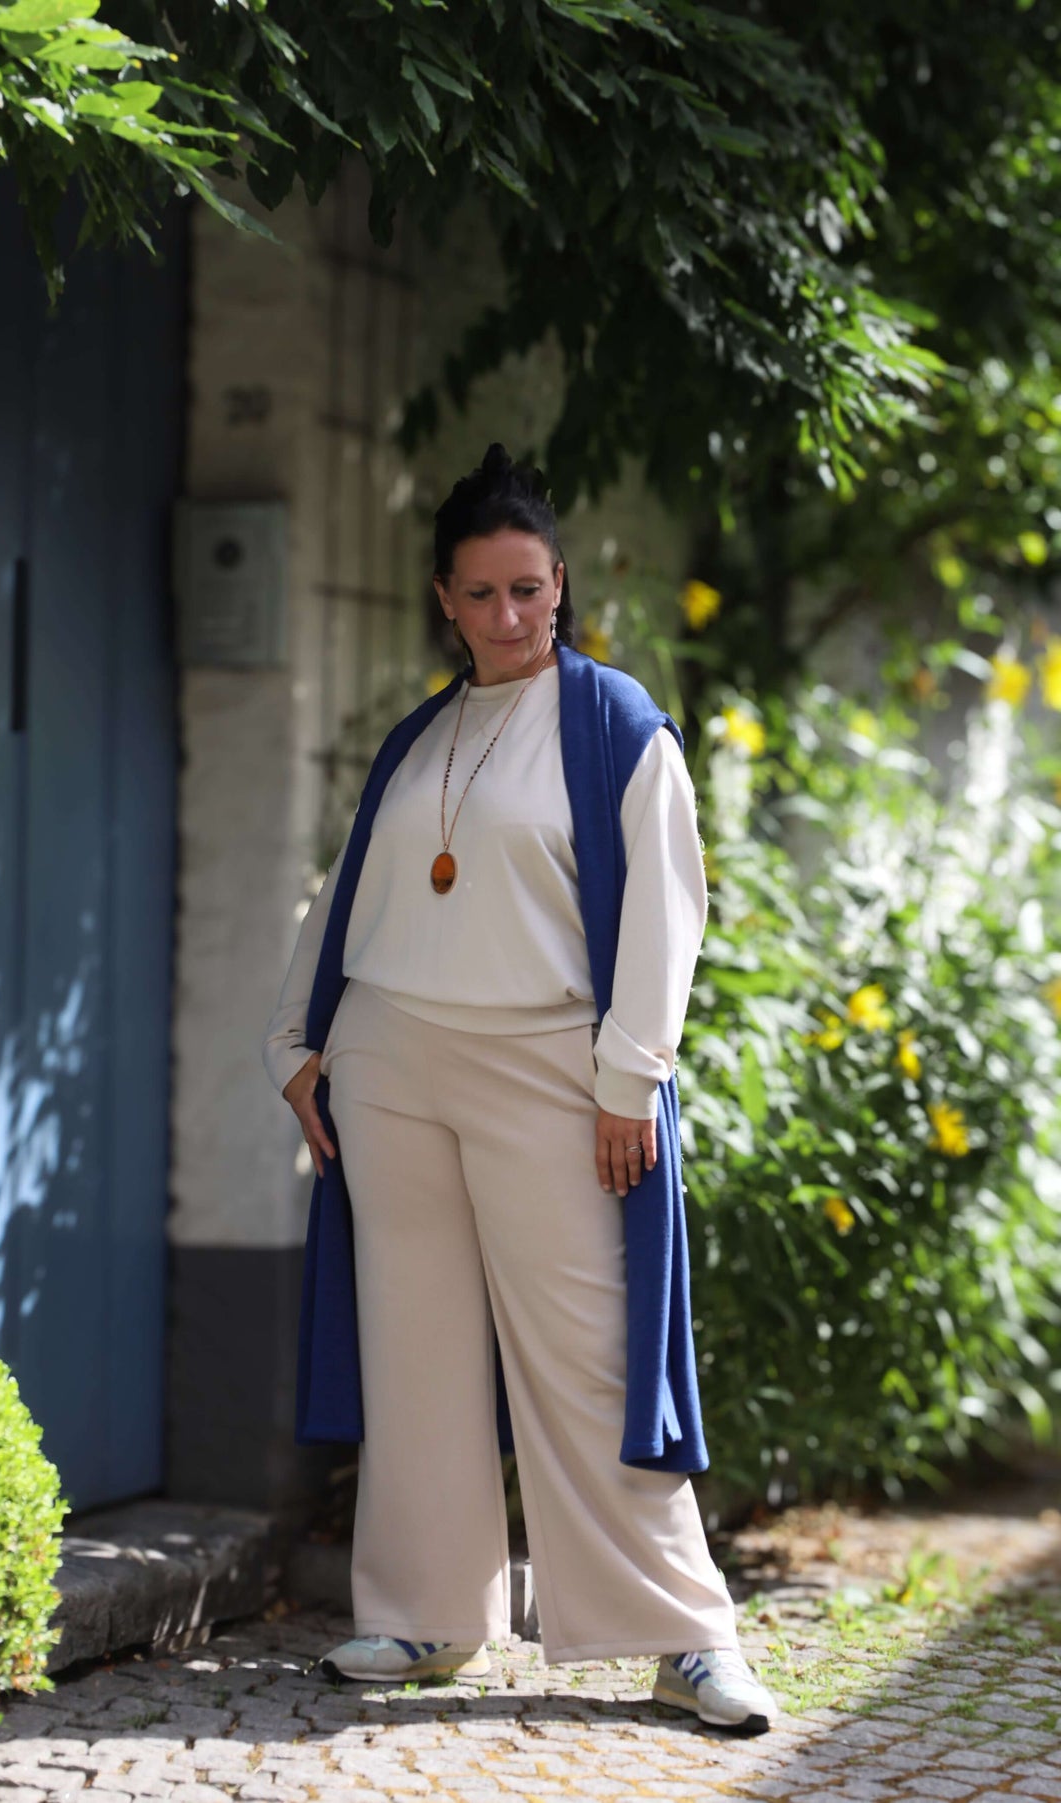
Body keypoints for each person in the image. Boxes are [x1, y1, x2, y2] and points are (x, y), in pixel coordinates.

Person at [263, 443, 778, 1734]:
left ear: (562, 585)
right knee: (415, 1348)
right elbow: (348, 895)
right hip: (391, 1067)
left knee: (590, 1355)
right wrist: (295, 1043)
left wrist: (628, 1081)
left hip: (553, 1070)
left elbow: (668, 915)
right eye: (482, 594)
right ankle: (430, 1614)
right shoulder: (421, 734)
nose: (508, 618)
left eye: (529, 592)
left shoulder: (614, 727)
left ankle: (685, 1638)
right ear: (444, 597)